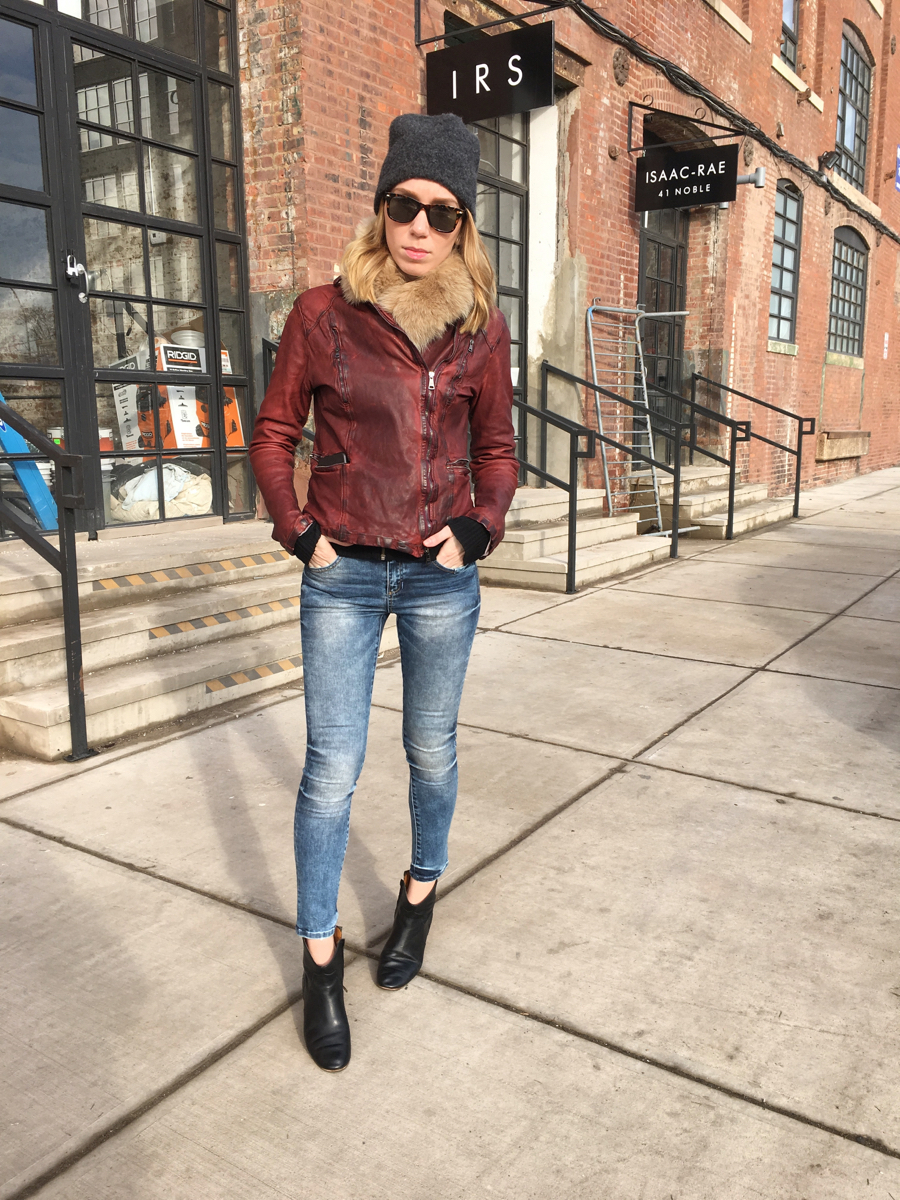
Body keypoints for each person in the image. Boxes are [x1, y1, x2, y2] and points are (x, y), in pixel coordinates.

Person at [249, 112, 518, 1072]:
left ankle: (417, 898)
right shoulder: (325, 313)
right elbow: (275, 431)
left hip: (441, 578)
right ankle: (320, 964)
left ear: (462, 229)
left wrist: (482, 525)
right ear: (381, 207)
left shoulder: (481, 326)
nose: (420, 227)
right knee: (330, 771)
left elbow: (497, 448)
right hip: (346, 574)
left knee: (432, 752)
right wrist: (301, 533)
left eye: (442, 214)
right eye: (405, 205)